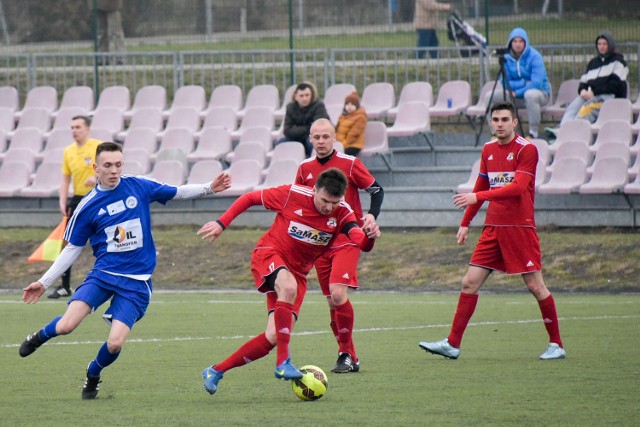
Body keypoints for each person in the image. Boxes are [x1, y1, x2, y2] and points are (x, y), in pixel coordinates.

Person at [19, 142, 231, 400]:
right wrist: (44, 281)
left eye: (118, 164)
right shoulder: (87, 206)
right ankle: (40, 336)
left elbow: (176, 192)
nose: (114, 170)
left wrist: (210, 187)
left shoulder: (137, 186)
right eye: (107, 165)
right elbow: (73, 248)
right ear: (96, 168)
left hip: (136, 282)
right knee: (66, 326)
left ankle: (93, 372)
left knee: (115, 343)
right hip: (103, 275)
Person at [197, 168, 381, 396]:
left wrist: (370, 237)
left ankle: (215, 371)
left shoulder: (342, 213)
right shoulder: (292, 194)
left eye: (333, 203)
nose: (328, 207)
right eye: (324, 200)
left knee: (273, 336)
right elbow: (250, 198)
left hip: (297, 276)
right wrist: (222, 223)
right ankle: (283, 362)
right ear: (314, 190)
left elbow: (360, 243)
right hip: (269, 254)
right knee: (288, 287)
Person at [418, 101, 566, 361]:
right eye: (495, 119)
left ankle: (556, 344)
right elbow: (481, 185)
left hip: (519, 228)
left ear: (514, 122)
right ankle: (452, 344)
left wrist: (477, 197)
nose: (499, 124)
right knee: (469, 282)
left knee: (535, 285)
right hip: (493, 229)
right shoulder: (487, 149)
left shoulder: (527, 149)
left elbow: (517, 189)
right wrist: (465, 223)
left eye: (504, 119)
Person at [295, 118, 384, 373]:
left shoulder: (350, 163)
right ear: (310, 139)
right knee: (332, 304)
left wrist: (371, 216)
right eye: (316, 137)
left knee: (337, 294)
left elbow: (377, 191)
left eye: (326, 136)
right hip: (320, 241)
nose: (321, 141)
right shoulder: (304, 168)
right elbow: (301, 205)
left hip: (347, 237)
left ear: (334, 138)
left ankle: (344, 353)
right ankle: (351, 357)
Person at [48, 115, 102, 299]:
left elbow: (111, 169)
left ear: (87, 129)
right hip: (77, 199)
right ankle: (64, 286)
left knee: (103, 238)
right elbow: (65, 178)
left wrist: (96, 178)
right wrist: (62, 201)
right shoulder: (68, 151)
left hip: (97, 197)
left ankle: (110, 281)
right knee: (67, 242)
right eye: (72, 127)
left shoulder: (98, 146)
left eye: (78, 127)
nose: (74, 131)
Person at [544, 32, 628, 138]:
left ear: (610, 45)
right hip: (591, 96)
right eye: (599, 44)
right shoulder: (593, 63)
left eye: (604, 44)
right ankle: (562, 128)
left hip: (610, 98)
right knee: (573, 107)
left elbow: (615, 86)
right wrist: (582, 91)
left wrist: (594, 92)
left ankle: (570, 134)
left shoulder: (619, 62)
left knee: (586, 110)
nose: (601, 47)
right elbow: (584, 81)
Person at [489, 27, 550, 139]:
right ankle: (497, 132)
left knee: (530, 94)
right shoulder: (506, 58)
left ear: (526, 42)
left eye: (521, 41)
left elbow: (536, 82)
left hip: (540, 94)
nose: (518, 44)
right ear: (510, 43)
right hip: (515, 94)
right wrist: (523, 83)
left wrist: (517, 92)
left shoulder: (535, 57)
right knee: (492, 95)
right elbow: (505, 81)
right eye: (515, 41)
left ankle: (533, 132)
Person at [278, 82, 329, 157]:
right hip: (297, 137)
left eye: (307, 95)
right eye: (301, 96)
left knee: (312, 141)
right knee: (281, 142)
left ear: (311, 95)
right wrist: (308, 127)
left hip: (314, 137)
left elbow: (317, 129)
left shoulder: (319, 106)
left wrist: (297, 128)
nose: (304, 98)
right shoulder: (290, 107)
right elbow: (287, 130)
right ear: (296, 96)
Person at [90, 0, 126, 64]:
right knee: (101, 33)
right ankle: (103, 58)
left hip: (113, 4)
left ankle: (120, 58)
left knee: (116, 32)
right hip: (97, 4)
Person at [335, 92, 368, 157]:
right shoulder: (342, 116)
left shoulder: (361, 117)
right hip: (342, 143)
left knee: (342, 155)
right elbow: (337, 130)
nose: (349, 107)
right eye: (347, 104)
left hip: (354, 144)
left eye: (352, 104)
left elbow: (354, 134)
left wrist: (343, 145)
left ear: (357, 106)